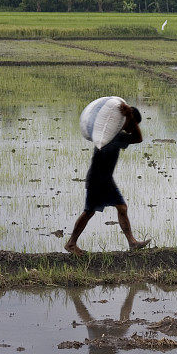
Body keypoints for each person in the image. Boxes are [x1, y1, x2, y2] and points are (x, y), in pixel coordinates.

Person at [65, 102, 151, 256]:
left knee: (120, 208)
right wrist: (129, 117)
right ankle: (71, 243)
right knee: (89, 212)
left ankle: (132, 242)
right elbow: (137, 138)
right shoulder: (113, 135)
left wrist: (130, 117)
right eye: (133, 124)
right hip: (98, 180)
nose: (133, 128)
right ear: (128, 121)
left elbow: (138, 138)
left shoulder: (115, 134)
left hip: (105, 179)